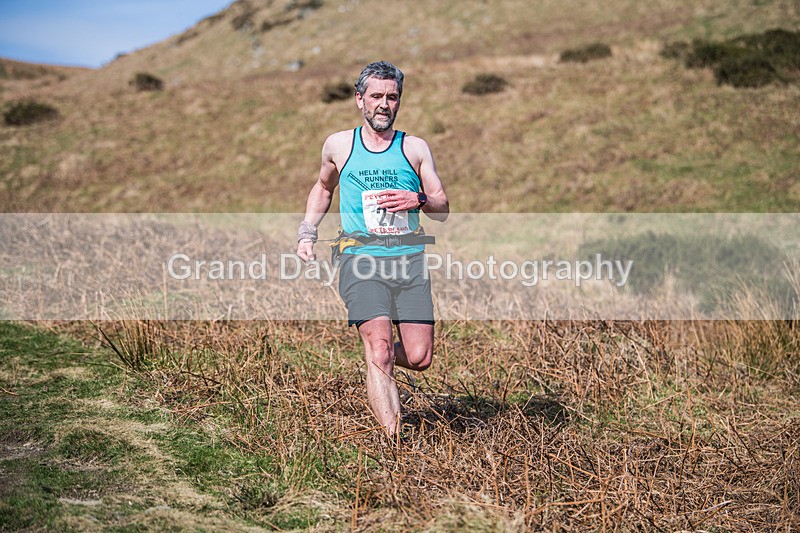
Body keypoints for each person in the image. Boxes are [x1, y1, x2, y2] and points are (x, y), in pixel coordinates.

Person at [296, 61, 449, 437]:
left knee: (419, 357)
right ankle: (394, 447)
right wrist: (307, 232)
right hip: (359, 259)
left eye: (392, 97)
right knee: (380, 352)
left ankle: (376, 359)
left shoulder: (414, 148)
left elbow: (442, 208)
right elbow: (324, 188)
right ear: (359, 99)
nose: (384, 104)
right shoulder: (339, 145)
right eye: (376, 96)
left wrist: (418, 199)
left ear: (399, 101)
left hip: (409, 262)